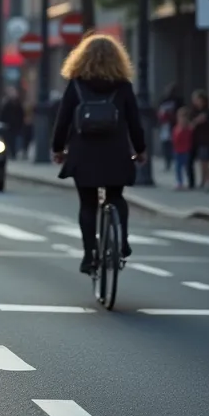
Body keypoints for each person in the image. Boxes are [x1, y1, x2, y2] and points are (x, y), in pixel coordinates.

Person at [49, 34, 146, 274]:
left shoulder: (76, 84)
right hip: (115, 153)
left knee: (88, 203)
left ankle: (88, 255)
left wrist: (58, 149)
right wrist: (140, 149)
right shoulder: (123, 86)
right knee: (116, 197)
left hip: (84, 154)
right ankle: (121, 241)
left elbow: (62, 121)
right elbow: (135, 122)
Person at [190, 90, 209, 192]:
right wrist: (197, 121)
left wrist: (205, 120)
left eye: (198, 100)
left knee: (206, 162)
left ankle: (207, 181)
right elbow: (191, 124)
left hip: (207, 140)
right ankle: (203, 180)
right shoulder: (194, 112)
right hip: (198, 140)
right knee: (201, 162)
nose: (196, 102)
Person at [156, 83, 184, 173]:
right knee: (166, 145)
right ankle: (167, 162)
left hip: (174, 125)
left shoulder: (178, 101)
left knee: (175, 145)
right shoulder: (163, 100)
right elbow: (159, 111)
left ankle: (176, 162)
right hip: (165, 126)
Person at [0, 87, 25, 160]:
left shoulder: (18, 104)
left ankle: (14, 153)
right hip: (9, 126)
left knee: (15, 141)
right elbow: (3, 115)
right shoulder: (7, 104)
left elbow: (21, 115)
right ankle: (12, 153)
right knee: (10, 141)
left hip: (16, 126)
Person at [172, 107, 194, 190]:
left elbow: (188, 139)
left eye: (182, 117)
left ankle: (187, 182)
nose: (180, 119)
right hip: (177, 150)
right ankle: (179, 182)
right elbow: (174, 138)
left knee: (186, 167)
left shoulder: (187, 128)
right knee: (178, 168)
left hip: (185, 150)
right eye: (179, 117)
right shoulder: (176, 127)